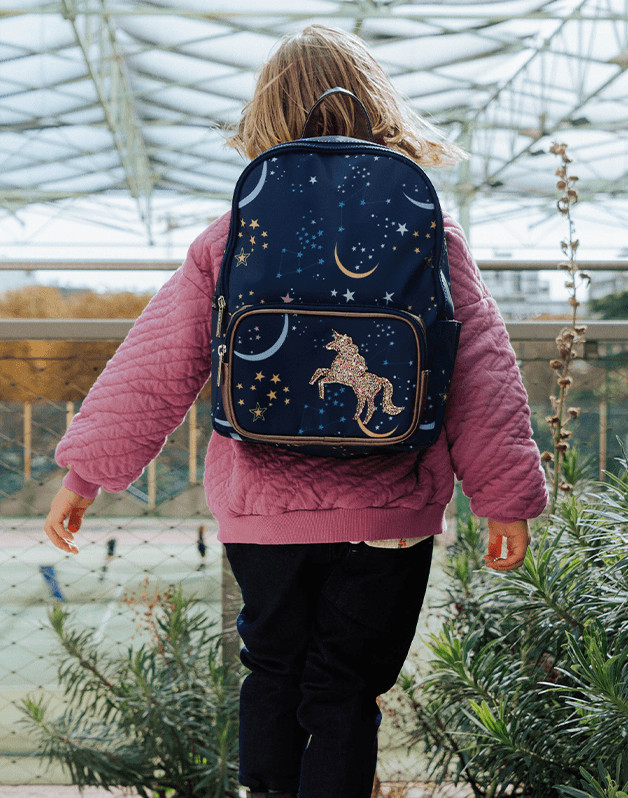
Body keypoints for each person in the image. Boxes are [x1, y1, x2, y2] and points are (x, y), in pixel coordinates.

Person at [44, 24, 548, 798]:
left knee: (272, 670)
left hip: (263, 508)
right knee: (346, 691)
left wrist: (86, 474)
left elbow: (160, 360)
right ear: (381, 111)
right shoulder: (428, 230)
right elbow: (482, 372)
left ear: (266, 117)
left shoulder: (237, 230)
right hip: (392, 510)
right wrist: (506, 499)